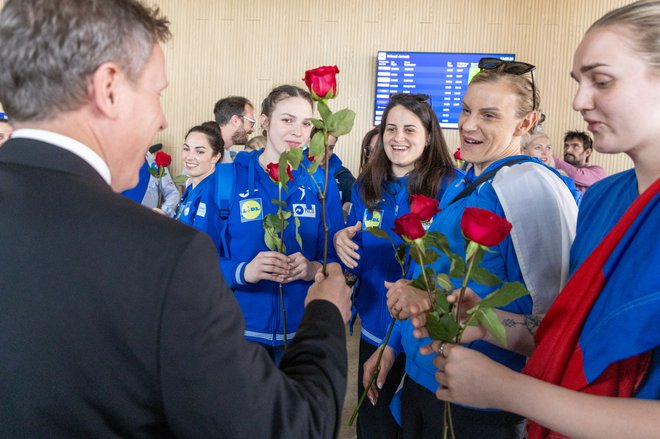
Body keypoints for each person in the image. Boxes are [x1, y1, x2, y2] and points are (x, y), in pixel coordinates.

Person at [0, 1, 351, 437]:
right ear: (109, 87)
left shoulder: (320, 185)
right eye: (156, 92)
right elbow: (285, 427)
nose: (162, 117)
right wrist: (326, 316)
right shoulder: (164, 254)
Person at [417, 2, 660, 438]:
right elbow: (562, 332)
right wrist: (490, 323)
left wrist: (509, 391)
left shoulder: (529, 183)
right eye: (578, 82)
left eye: (601, 81)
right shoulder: (605, 199)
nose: (578, 101)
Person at [364, 59, 578, 438]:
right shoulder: (467, 182)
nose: (468, 125)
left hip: (478, 403)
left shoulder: (529, 188)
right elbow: (427, 279)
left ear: (526, 123)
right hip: (426, 381)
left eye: (489, 115)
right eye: (466, 110)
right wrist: (393, 347)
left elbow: (556, 328)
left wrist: (473, 319)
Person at [334, 93, 456, 439]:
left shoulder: (451, 187)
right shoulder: (365, 188)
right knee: (375, 429)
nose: (397, 137)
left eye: (409, 129)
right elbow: (356, 260)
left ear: (430, 135)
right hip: (376, 329)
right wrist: (341, 244)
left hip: (426, 334)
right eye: (391, 128)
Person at [217, 84, 344, 364]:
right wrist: (243, 271)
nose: (297, 131)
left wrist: (312, 269)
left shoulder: (320, 183)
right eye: (287, 120)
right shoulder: (226, 179)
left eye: (306, 123)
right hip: (240, 336)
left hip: (303, 335)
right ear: (265, 121)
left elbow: (335, 257)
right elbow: (196, 261)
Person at [175, 121, 224, 248]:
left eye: (199, 152)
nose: (189, 157)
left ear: (215, 157)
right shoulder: (192, 186)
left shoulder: (213, 191)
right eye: (186, 149)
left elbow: (204, 247)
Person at [521, 132, 582, 204]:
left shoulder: (562, 178)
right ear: (524, 151)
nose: (545, 152)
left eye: (548, 148)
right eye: (538, 147)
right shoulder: (518, 177)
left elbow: (575, 206)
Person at [122, 150, 180, 217]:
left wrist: (164, 211)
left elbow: (172, 193)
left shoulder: (155, 165)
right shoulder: (113, 164)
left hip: (146, 221)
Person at [213, 95, 255, 163]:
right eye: (251, 123)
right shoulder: (206, 153)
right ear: (235, 121)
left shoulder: (224, 153)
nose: (253, 129)